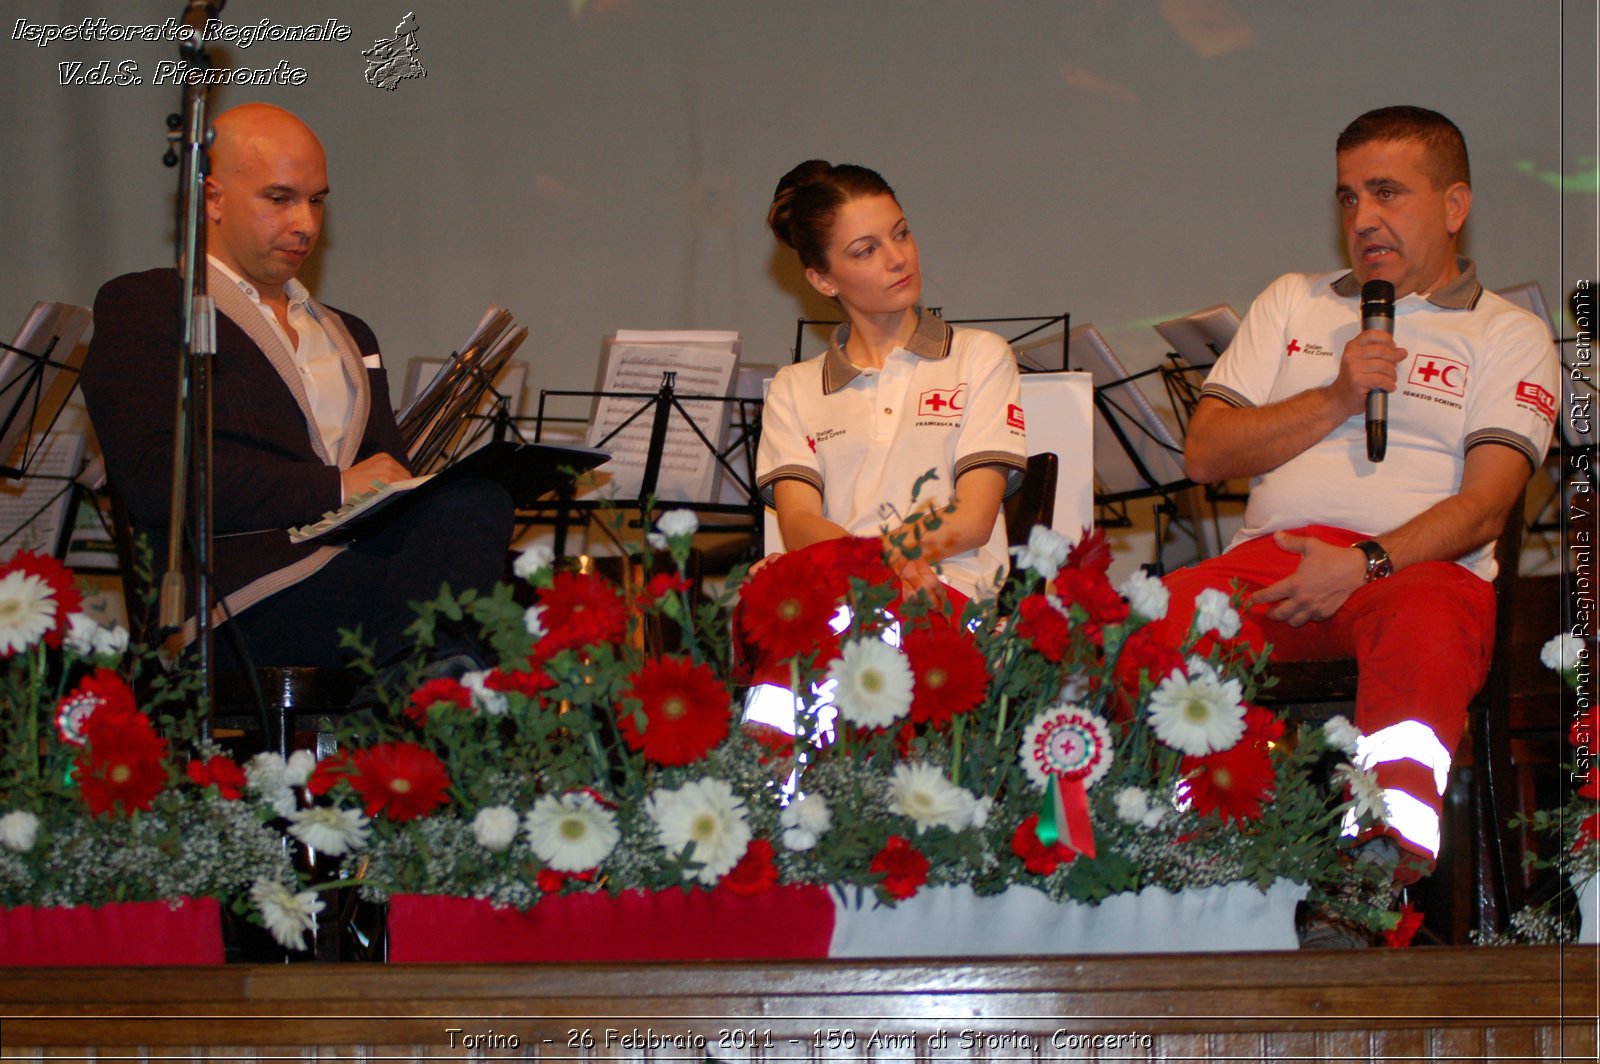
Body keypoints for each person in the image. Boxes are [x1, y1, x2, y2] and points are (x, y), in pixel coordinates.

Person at [1163, 107, 1560, 918]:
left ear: (1455, 206)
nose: (1363, 219)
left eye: (1387, 193)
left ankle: (1371, 871)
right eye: (1348, 198)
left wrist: (1365, 562)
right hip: (1270, 565)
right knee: (1156, 620)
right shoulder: (1291, 303)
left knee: (1428, 622)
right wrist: (1339, 396)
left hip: (1415, 573)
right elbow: (1205, 453)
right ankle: (1214, 858)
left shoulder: (1509, 333)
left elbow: (1486, 505)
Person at [81, 103, 513, 672]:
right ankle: (410, 712)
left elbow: (386, 473)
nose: (306, 223)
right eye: (280, 198)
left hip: (354, 574)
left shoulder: (348, 333)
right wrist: (334, 489)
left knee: (480, 506)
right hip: (241, 600)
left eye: (317, 200)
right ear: (212, 198)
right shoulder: (152, 305)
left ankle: (406, 700)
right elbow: (154, 476)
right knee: (493, 624)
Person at [755, 160, 1027, 608]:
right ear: (822, 279)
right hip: (842, 604)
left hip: (951, 602)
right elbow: (800, 522)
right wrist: (878, 577)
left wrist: (869, 568)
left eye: (900, 233)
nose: (897, 257)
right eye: (866, 250)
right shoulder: (794, 387)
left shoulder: (979, 355)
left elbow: (974, 518)